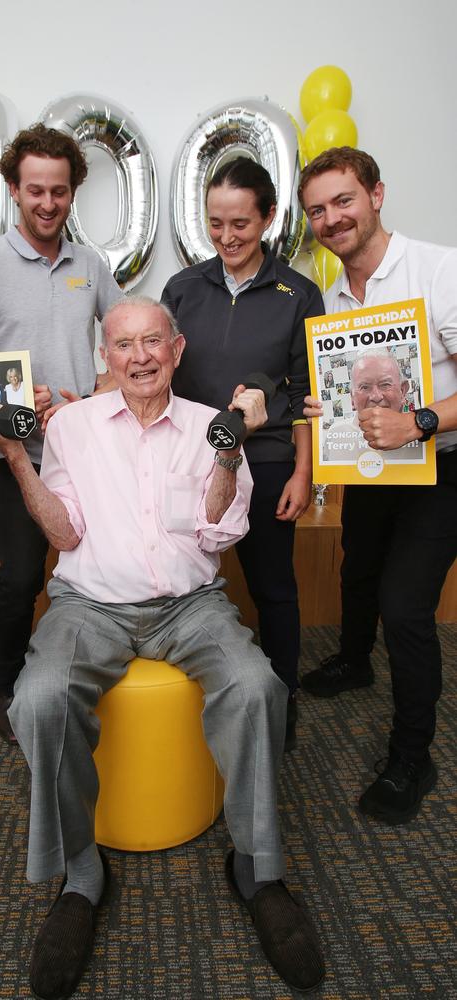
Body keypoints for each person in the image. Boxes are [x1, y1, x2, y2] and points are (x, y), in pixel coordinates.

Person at [0, 297, 325, 999]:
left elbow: (218, 532)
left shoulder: (210, 426)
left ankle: (258, 867)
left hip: (190, 606)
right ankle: (81, 876)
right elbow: (64, 537)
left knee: (257, 685)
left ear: (177, 348)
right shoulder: (70, 428)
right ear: (107, 356)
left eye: (152, 341)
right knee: (37, 700)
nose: (140, 356)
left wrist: (227, 452)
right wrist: (14, 456)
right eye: (124, 344)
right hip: (90, 605)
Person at [0, 124, 122, 744]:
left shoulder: (91, 265)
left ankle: (92, 677)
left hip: (85, 454)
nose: (49, 204)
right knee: (20, 577)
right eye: (36, 191)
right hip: (16, 456)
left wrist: (95, 392)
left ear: (74, 193)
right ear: (14, 189)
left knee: (94, 572)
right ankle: (7, 686)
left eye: (61, 192)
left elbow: (123, 348)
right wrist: (7, 403)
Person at [298, 146, 457, 824]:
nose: (331, 219)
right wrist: (327, 413)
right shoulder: (335, 295)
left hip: (444, 466)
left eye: (343, 200)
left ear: (376, 195)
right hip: (374, 466)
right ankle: (355, 661)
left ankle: (412, 757)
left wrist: (418, 421)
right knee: (357, 567)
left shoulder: (439, 269)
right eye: (317, 210)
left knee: (405, 605)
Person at [161, 158, 325, 750]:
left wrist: (303, 473)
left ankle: (279, 702)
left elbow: (307, 392)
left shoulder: (299, 294)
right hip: (190, 458)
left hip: (271, 457)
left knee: (272, 587)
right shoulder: (182, 287)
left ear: (269, 218)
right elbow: (160, 373)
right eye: (215, 224)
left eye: (241, 224)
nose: (227, 237)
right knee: (182, 584)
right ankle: (187, 705)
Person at [321, 349, 422, 462]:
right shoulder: (336, 434)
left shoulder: (422, 434)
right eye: (365, 387)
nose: (376, 396)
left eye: (385, 385)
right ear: (352, 398)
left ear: (402, 391)